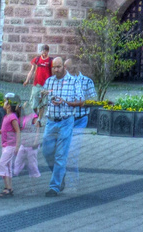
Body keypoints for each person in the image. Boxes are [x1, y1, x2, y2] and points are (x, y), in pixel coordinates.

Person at [41, 56, 84, 197]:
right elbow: (42, 101)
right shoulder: (49, 81)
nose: (56, 70)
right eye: (53, 67)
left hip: (66, 121)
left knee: (60, 155)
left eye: (58, 67)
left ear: (64, 67)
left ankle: (55, 186)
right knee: (47, 151)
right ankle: (60, 173)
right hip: (51, 121)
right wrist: (41, 96)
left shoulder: (73, 82)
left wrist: (65, 102)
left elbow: (81, 101)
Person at [63, 58, 97, 189]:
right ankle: (63, 180)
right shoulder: (62, 82)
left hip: (80, 119)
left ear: (74, 68)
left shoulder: (87, 82)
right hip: (66, 119)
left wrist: (80, 101)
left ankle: (72, 183)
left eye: (66, 67)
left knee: (73, 152)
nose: (63, 70)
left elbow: (93, 99)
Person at [0, 94, 21, 197]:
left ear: (9, 105)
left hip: (10, 145)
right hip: (5, 145)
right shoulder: (6, 116)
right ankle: (9, 188)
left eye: (6, 101)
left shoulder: (12, 117)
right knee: (7, 166)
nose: (4, 103)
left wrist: (17, 146)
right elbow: (5, 130)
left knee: (2, 164)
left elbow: (17, 131)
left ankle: (7, 188)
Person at [24, 45, 53, 114]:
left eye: (45, 51)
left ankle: (39, 120)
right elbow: (32, 70)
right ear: (41, 51)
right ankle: (36, 115)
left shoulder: (51, 61)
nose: (44, 53)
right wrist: (27, 80)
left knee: (42, 104)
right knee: (34, 104)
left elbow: (53, 73)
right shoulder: (37, 59)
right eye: (43, 51)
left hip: (46, 85)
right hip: (37, 84)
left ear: (48, 51)